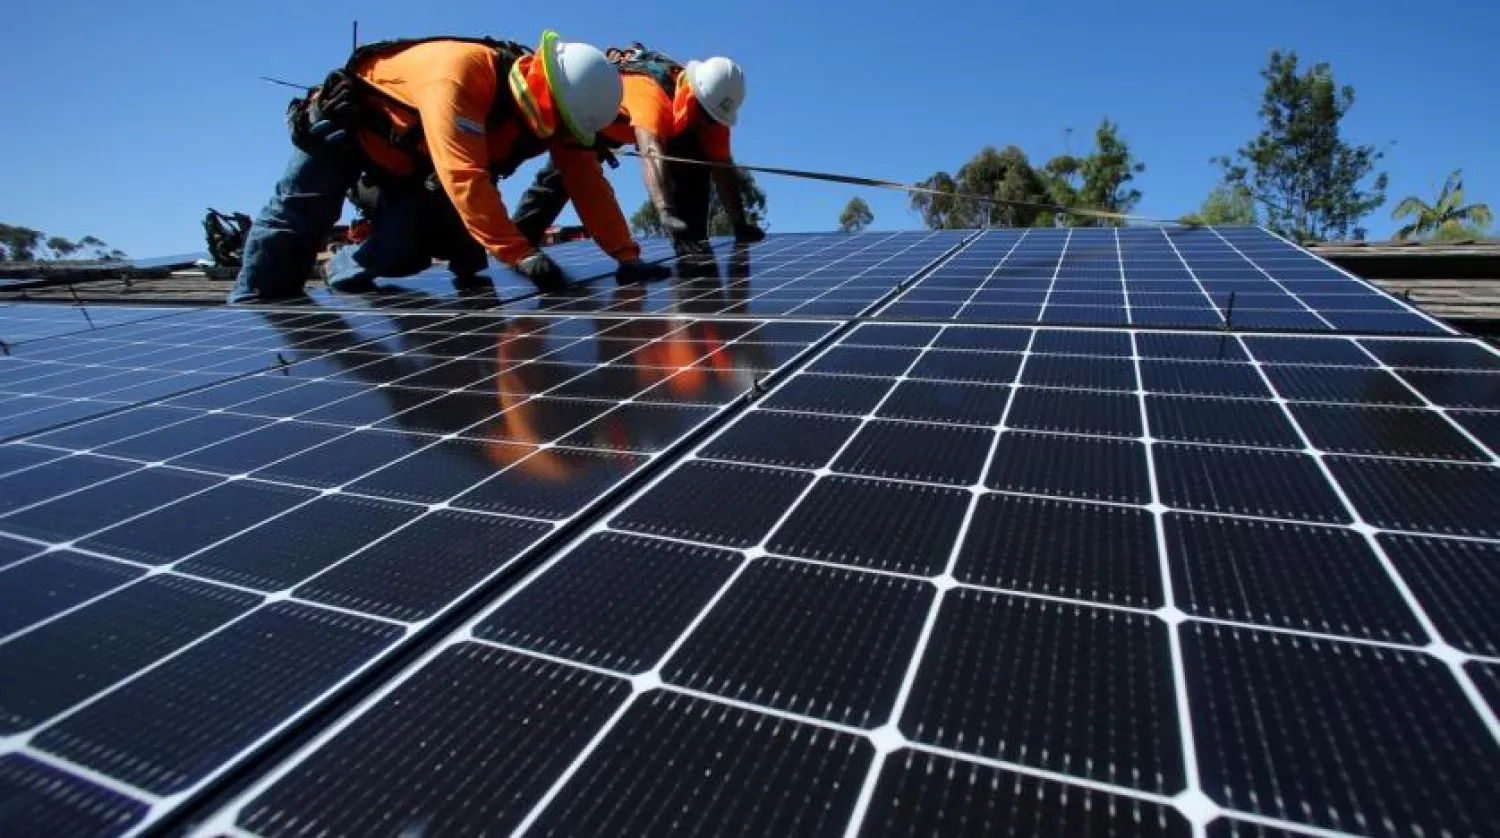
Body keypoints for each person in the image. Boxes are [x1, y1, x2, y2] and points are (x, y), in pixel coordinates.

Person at [229, 31, 669, 304]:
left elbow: (588, 184)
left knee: (407, 249)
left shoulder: (563, 118)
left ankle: (338, 271)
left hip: (411, 164)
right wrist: (524, 256)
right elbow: (464, 177)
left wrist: (627, 258)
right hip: (347, 129)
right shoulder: (460, 75)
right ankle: (252, 304)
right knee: (297, 217)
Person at [510, 43, 766, 257]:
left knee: (696, 164)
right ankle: (520, 246)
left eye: (712, 118)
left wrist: (740, 224)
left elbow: (723, 171)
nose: (706, 123)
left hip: (655, 130)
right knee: (561, 178)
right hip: (600, 118)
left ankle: (692, 244)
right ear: (693, 94)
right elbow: (652, 153)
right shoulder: (651, 94)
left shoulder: (714, 119)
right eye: (704, 114)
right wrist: (665, 211)